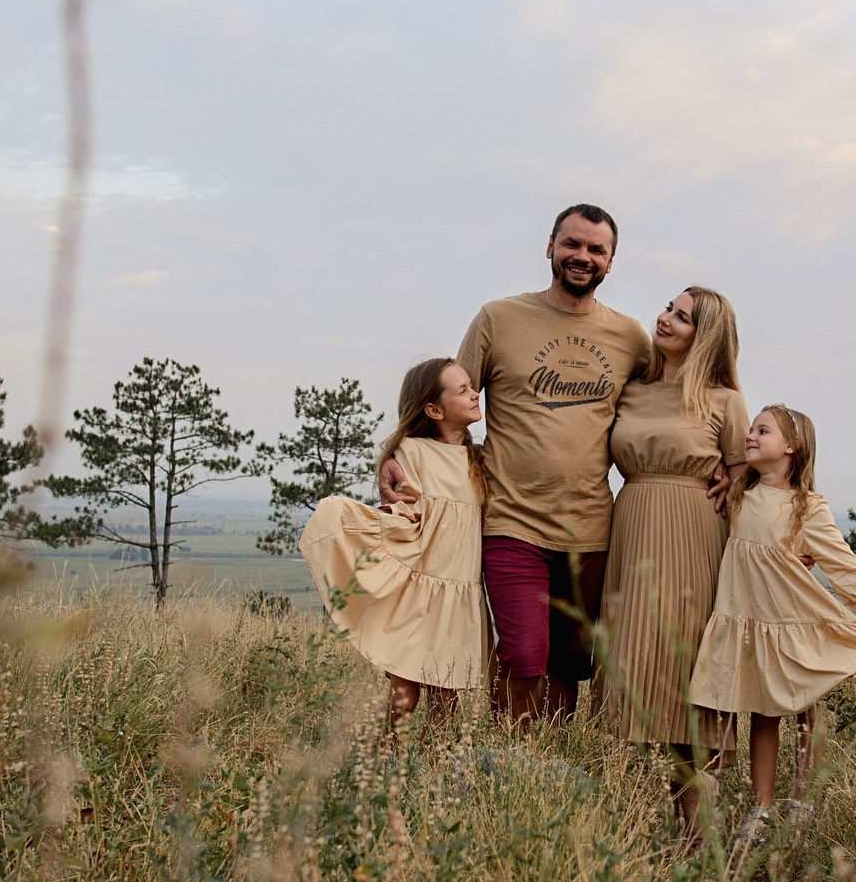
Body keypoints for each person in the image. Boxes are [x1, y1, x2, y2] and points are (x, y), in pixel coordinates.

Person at [387, 203, 659, 723]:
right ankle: (510, 762)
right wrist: (397, 457)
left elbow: (666, 404)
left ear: (610, 261)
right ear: (551, 247)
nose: (582, 256)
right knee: (524, 655)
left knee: (571, 661)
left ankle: (545, 766)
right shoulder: (499, 317)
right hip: (511, 520)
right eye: (572, 244)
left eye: (595, 249)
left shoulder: (629, 338)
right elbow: (443, 399)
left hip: (593, 528)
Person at [689, 404, 856, 846]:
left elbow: (842, 562)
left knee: (806, 707)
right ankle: (761, 811)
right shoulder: (740, 492)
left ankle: (802, 801)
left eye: (763, 431)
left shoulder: (805, 507)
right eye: (751, 430)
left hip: (792, 620)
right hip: (749, 621)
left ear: (791, 446)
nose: (750, 436)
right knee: (763, 713)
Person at [595, 286, 749, 836]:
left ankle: (700, 834)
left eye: (683, 318)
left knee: (685, 669)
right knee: (631, 658)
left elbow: (744, 480)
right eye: (668, 308)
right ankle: (627, 824)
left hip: (694, 536)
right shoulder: (630, 390)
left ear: (703, 336)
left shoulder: (724, 400)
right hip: (632, 525)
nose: (665, 320)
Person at [299, 358, 490, 735]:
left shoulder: (478, 459)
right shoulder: (412, 452)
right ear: (434, 410)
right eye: (463, 389)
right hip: (420, 591)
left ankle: (432, 767)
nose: (475, 393)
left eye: (472, 386)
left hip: (459, 588)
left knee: (446, 695)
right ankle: (380, 757)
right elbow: (406, 513)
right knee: (405, 692)